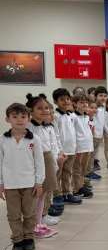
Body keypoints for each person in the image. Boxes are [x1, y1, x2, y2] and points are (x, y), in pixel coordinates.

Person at [0, 102, 45, 250]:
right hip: (10, 185)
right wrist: (1, 183)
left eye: (23, 116)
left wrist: (39, 182)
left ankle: (29, 238)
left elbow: (39, 162)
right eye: (15, 117)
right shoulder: (3, 140)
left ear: (28, 118)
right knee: (13, 215)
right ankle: (18, 240)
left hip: (29, 184)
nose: (19, 120)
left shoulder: (34, 139)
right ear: (7, 119)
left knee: (29, 213)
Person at [26, 94, 58, 239]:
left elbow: (51, 145)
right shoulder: (29, 128)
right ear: (31, 111)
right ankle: (33, 225)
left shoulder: (46, 127)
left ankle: (38, 223)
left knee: (43, 193)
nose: (45, 111)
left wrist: (55, 163)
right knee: (36, 195)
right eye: (39, 108)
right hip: (36, 162)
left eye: (46, 108)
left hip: (48, 159)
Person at [52, 88, 81, 205]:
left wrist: (75, 147)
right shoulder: (55, 116)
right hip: (61, 151)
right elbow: (56, 134)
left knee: (68, 172)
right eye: (62, 99)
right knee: (57, 174)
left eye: (68, 99)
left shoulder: (70, 115)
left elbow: (73, 132)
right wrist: (59, 150)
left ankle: (67, 193)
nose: (66, 101)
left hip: (71, 149)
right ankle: (56, 195)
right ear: (55, 101)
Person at [72, 94, 94, 198]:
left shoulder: (86, 116)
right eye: (81, 102)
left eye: (86, 102)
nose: (85, 104)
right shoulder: (73, 117)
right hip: (79, 146)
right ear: (75, 104)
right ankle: (77, 188)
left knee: (83, 168)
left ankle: (81, 184)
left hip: (87, 145)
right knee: (77, 167)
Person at [93, 86, 108, 170]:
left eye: (105, 96)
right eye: (101, 95)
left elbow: (103, 120)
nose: (103, 98)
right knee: (92, 149)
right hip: (93, 132)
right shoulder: (93, 107)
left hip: (100, 132)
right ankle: (90, 163)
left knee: (96, 148)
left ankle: (95, 160)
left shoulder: (103, 107)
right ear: (96, 96)